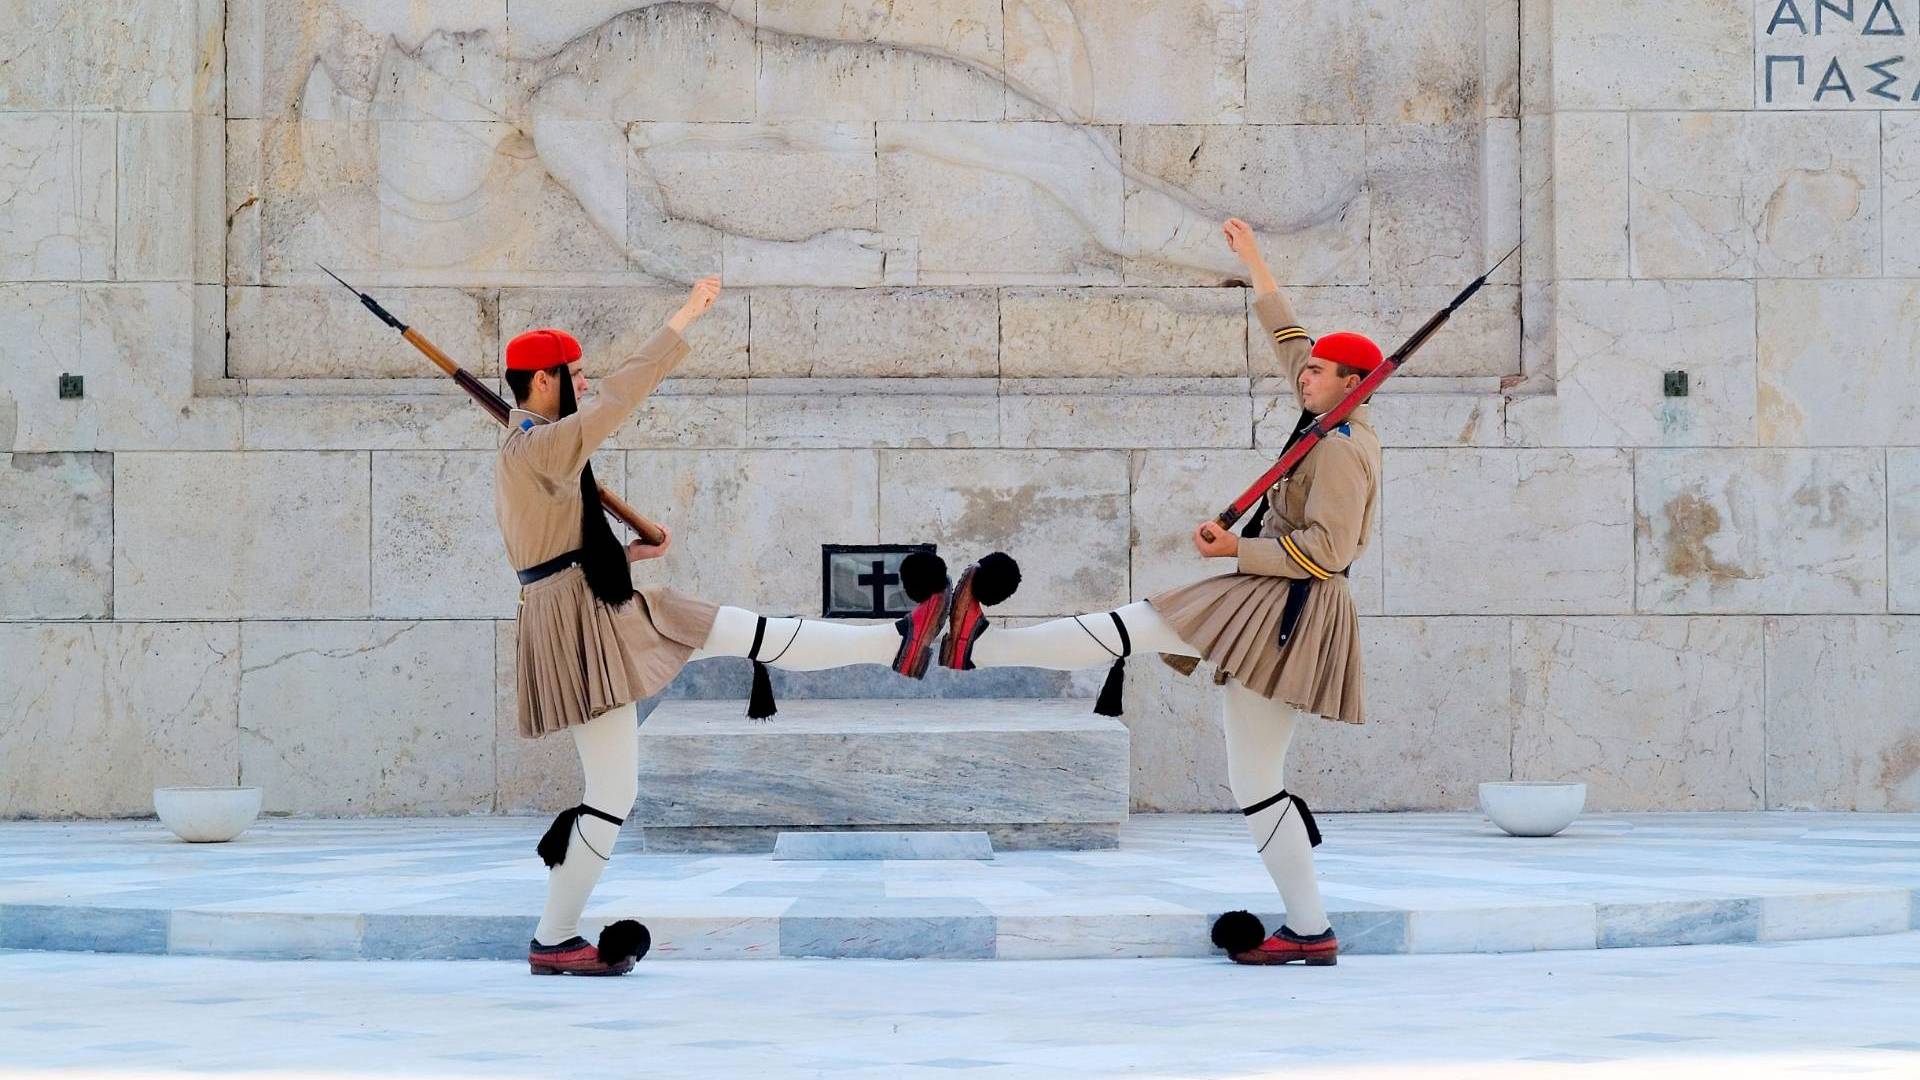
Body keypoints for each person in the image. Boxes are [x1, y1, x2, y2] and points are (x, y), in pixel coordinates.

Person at [936, 218, 1385, 967]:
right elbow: (1289, 339)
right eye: (1306, 370)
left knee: (1141, 624)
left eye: (1319, 371)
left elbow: (1329, 551)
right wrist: (1257, 263)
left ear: (1351, 384)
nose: (1304, 375)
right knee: (1255, 780)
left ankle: (978, 645)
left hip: (1289, 607)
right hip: (1274, 600)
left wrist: (1233, 548)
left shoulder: (1340, 449)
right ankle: (1311, 932)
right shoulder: (1324, 411)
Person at [496, 276, 967, 975]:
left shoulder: (539, 446)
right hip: (577, 627)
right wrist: (684, 316)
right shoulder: (536, 447)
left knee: (738, 628)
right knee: (612, 792)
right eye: (575, 373)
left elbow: (554, 546)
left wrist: (629, 553)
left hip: (600, 599)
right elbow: (617, 401)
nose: (585, 382)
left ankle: (896, 638)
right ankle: (554, 938)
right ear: (543, 380)